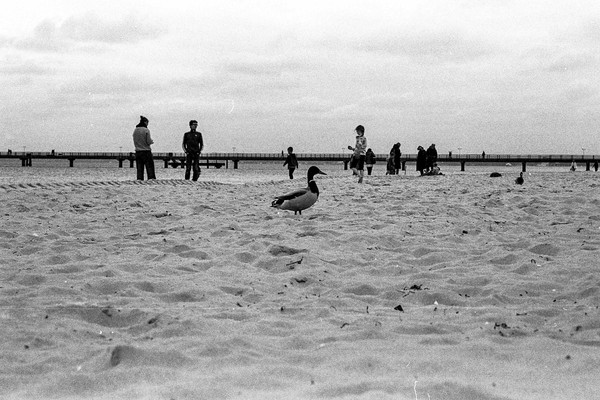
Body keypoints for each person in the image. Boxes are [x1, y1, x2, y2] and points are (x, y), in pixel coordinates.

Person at [132, 115, 156, 180]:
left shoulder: (135, 130)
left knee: (139, 168)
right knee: (150, 168)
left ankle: (140, 179)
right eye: (147, 123)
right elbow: (148, 141)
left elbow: (134, 140)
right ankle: (151, 179)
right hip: (146, 151)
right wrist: (151, 142)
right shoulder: (146, 130)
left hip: (138, 151)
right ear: (145, 122)